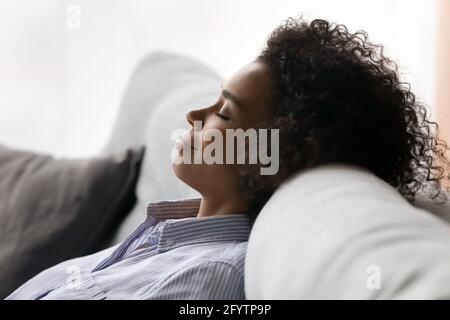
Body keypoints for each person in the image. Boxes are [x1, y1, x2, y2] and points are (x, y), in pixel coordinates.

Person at [7, 17, 449, 300]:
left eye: (223, 111)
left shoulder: (206, 278)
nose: (193, 115)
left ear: (273, 156)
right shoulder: (162, 236)